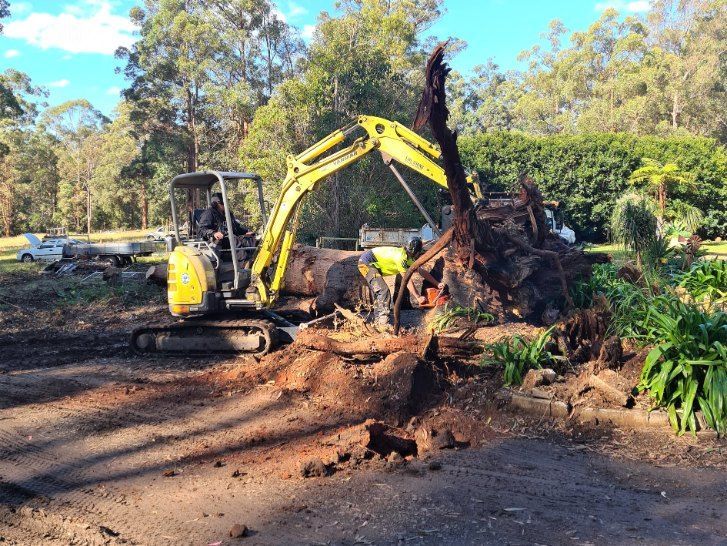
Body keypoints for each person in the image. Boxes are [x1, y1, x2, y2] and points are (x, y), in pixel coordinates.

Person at [358, 237, 446, 326]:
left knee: (380, 291)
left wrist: (437, 283)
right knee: (383, 290)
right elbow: (406, 280)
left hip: (372, 264)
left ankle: (379, 319)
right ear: (416, 252)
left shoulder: (408, 257)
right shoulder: (400, 257)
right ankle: (382, 321)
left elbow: (422, 271)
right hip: (366, 264)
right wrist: (418, 297)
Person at [198, 192, 251, 261]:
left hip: (228, 239)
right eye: (223, 203)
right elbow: (202, 230)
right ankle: (245, 261)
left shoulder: (228, 214)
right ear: (216, 204)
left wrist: (246, 232)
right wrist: (214, 233)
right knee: (233, 238)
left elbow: (236, 227)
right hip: (216, 241)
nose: (225, 205)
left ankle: (253, 259)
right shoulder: (209, 214)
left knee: (248, 239)